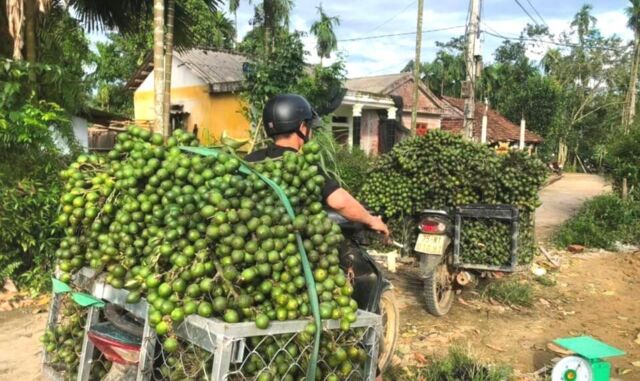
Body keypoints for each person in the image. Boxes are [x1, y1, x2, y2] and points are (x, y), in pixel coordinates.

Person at [245, 94, 389, 237]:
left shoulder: (250, 160)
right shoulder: (302, 167)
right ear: (302, 127)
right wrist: (372, 220)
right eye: (309, 126)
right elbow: (340, 202)